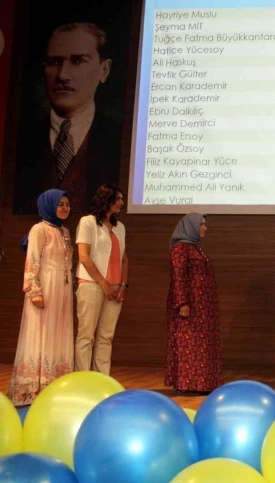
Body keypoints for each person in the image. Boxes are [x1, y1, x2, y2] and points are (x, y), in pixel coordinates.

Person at [14, 22, 121, 215]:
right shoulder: (17, 139)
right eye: (53, 62)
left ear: (104, 70)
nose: (63, 75)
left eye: (78, 61)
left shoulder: (122, 140)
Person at [7, 189, 74, 406]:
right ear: (49, 205)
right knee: (42, 332)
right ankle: (34, 387)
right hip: (45, 286)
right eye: (60, 204)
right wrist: (34, 290)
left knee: (58, 332)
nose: (65, 208)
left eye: (67, 204)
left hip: (62, 289)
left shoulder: (65, 231)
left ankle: (55, 384)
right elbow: (32, 260)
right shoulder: (39, 229)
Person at [165, 213, 223, 396]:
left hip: (202, 308)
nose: (205, 228)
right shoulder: (180, 249)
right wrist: (182, 302)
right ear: (190, 226)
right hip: (189, 307)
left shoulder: (196, 248)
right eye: (201, 224)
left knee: (202, 345)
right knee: (188, 344)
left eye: (205, 224)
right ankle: (186, 384)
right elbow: (178, 276)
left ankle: (202, 383)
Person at [75, 184, 128, 375]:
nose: (122, 202)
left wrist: (123, 285)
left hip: (115, 287)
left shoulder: (120, 227)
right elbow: (84, 256)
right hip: (91, 285)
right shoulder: (87, 222)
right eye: (118, 198)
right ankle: (82, 378)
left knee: (106, 336)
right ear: (107, 199)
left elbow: (124, 258)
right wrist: (103, 284)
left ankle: (102, 378)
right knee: (86, 335)